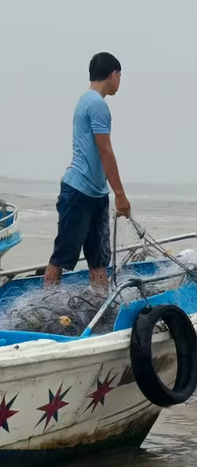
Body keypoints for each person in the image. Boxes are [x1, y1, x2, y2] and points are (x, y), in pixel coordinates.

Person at [44, 52, 131, 292]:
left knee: (99, 260)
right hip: (79, 192)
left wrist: (109, 192)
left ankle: (100, 311)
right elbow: (105, 151)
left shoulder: (88, 101)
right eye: (120, 76)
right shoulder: (96, 104)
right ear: (113, 74)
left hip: (96, 193)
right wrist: (121, 195)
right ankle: (44, 306)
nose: (120, 81)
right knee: (61, 258)